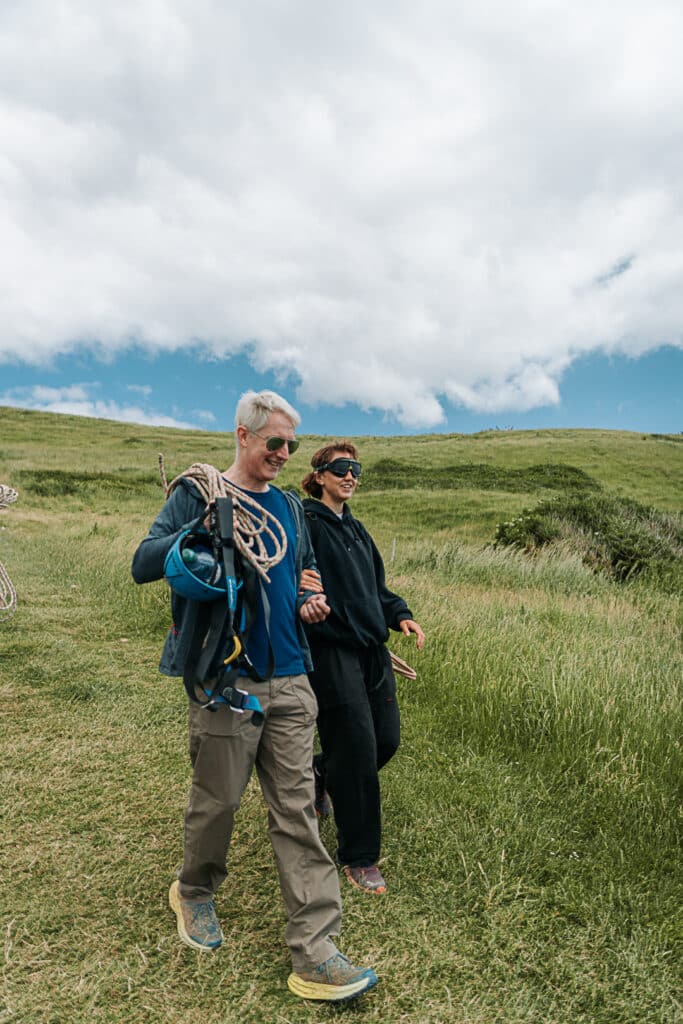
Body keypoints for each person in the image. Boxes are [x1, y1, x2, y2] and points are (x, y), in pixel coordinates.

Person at [131, 393, 377, 1003]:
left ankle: (317, 954)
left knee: (297, 812)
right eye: (274, 443)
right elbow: (142, 563)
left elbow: (301, 579)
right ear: (242, 436)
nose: (284, 454)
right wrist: (202, 532)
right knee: (218, 801)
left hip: (293, 678)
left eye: (291, 445)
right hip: (226, 680)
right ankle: (193, 891)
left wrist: (310, 600)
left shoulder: (293, 510)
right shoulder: (200, 492)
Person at [301, 441, 425, 895]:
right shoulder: (305, 524)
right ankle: (359, 856)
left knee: (386, 739)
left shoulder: (357, 530)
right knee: (355, 748)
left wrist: (400, 614)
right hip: (332, 651)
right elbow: (292, 579)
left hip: (373, 650)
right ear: (318, 476)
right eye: (340, 469)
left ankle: (319, 773)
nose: (350, 476)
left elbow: (377, 590)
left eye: (355, 469)